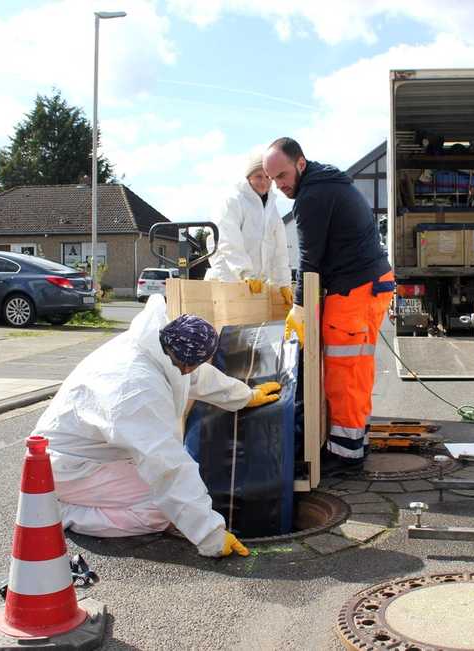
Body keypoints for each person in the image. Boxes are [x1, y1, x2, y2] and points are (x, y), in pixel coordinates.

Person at [33, 295, 281, 557]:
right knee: (160, 509)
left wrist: (244, 396)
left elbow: (195, 378)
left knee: (176, 495)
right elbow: (167, 467)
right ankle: (64, 513)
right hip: (68, 469)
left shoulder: (157, 346)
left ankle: (76, 501)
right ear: (187, 363)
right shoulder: (137, 391)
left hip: (91, 452)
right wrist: (209, 534)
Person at [262, 137, 394, 469]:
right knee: (357, 367)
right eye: (273, 179)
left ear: (300, 164)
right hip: (367, 285)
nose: (279, 186)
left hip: (355, 290)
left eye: (282, 176)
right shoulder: (326, 182)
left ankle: (345, 454)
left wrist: (300, 308)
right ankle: (353, 442)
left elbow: (310, 261)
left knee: (344, 371)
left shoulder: (312, 196)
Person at [204, 151, 294, 306]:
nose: (264, 182)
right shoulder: (233, 201)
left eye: (267, 177)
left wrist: (283, 282)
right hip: (228, 282)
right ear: (248, 177)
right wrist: (245, 272)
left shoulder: (272, 209)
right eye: (258, 176)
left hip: (255, 287)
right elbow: (228, 240)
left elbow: (279, 250)